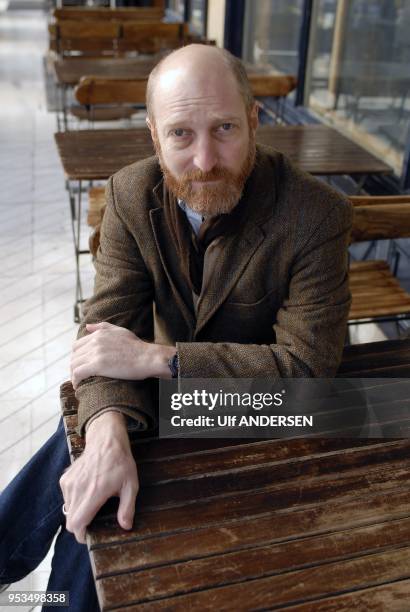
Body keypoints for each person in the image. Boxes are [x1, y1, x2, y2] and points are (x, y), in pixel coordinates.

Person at [0, 44, 352, 610]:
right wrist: (108, 432)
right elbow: (103, 339)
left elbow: (307, 375)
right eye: (181, 134)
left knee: (102, 484)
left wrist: (156, 360)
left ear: (255, 120)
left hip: (275, 418)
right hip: (173, 407)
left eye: (225, 128)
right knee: (99, 466)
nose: (207, 159)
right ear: (153, 134)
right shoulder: (130, 195)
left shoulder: (316, 215)